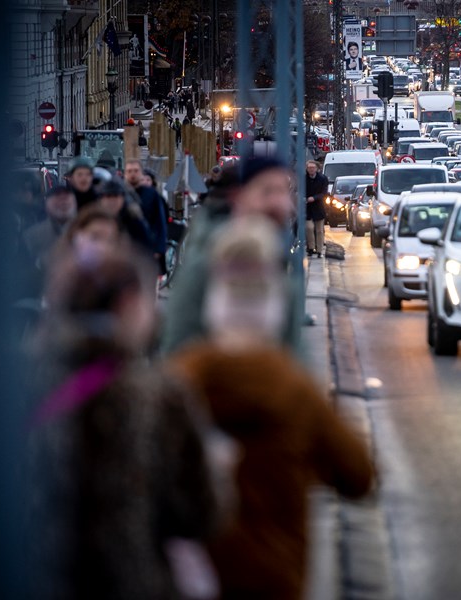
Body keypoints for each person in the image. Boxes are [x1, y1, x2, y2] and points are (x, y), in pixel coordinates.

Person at [167, 216, 375, 600]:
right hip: (275, 576)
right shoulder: (294, 390)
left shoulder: (180, 381)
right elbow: (359, 474)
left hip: (193, 579)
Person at [28, 242, 221, 599]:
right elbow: (200, 512)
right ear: (129, 302)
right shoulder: (160, 395)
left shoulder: (14, 389)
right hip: (132, 581)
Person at [160, 157, 305, 360]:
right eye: (267, 192)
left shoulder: (276, 259)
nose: (279, 203)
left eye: (283, 192)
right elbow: (178, 354)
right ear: (239, 197)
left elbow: (293, 355)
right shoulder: (206, 264)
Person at [23, 184, 77, 294]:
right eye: (57, 198)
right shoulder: (31, 235)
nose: (63, 202)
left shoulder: (87, 231)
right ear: (47, 204)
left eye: (66, 198)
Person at [125, 159, 169, 273]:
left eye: (135, 171)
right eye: (129, 171)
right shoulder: (121, 192)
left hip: (147, 246)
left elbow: (160, 222)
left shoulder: (152, 194)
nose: (133, 174)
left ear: (141, 173)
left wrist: (159, 248)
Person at [96, 179, 155, 258]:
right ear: (101, 199)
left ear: (123, 198)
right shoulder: (93, 220)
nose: (112, 200)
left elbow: (146, 251)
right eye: (108, 196)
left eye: (116, 196)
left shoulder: (134, 221)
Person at [303, 160, 328, 257]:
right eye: (309, 168)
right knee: (309, 228)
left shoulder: (322, 179)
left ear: (316, 169)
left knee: (319, 230)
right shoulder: (304, 179)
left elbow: (324, 192)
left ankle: (319, 250)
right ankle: (311, 247)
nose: (311, 170)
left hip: (318, 207)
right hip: (307, 208)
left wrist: (314, 198)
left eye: (313, 168)